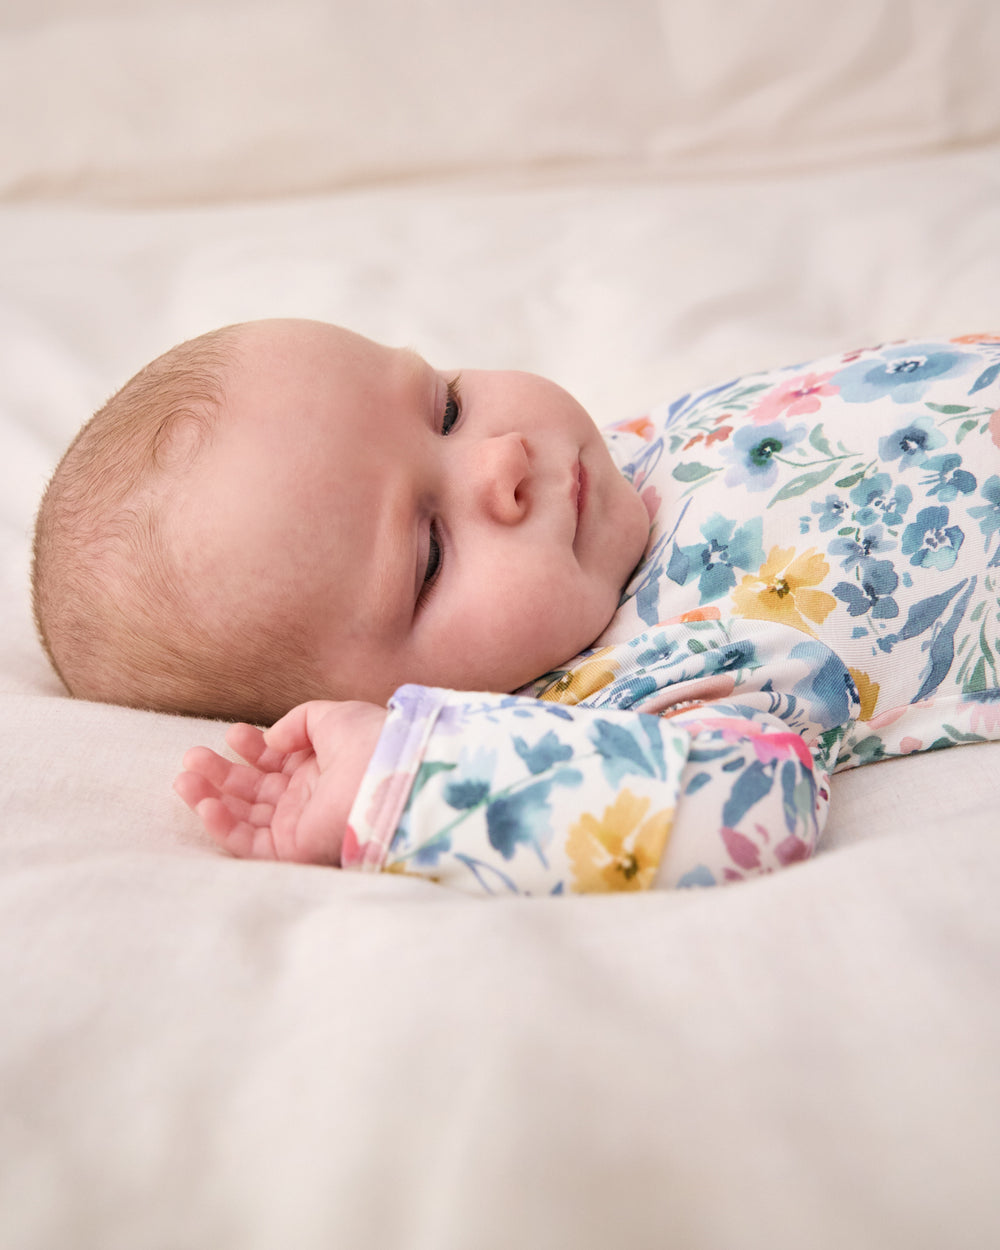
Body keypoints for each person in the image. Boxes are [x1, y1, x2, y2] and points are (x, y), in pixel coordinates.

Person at [32, 321, 1000, 895]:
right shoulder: (618, 692)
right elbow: (749, 806)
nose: (500, 460)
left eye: (444, 405)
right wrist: (412, 774)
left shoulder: (604, 467)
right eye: (431, 551)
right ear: (430, 702)